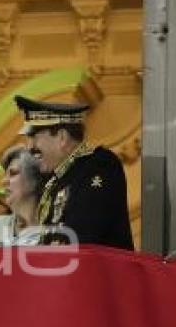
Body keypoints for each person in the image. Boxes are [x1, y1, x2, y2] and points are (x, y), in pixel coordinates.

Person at [16, 95, 133, 250]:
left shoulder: (98, 164)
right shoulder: (57, 178)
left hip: (94, 272)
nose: (29, 147)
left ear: (62, 137)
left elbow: (85, 236)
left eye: (33, 137)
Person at [0, 146, 44, 247]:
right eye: (5, 175)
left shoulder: (55, 229)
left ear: (37, 179)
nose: (4, 181)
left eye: (13, 174)